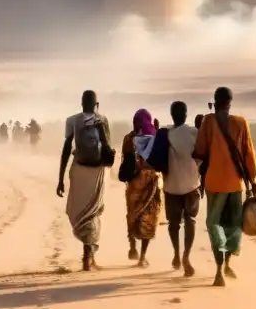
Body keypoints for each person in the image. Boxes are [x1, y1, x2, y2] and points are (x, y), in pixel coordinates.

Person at [193, 86, 256, 287]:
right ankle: (227, 264)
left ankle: (219, 271)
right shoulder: (241, 122)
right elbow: (249, 154)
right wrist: (252, 180)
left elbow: (200, 151)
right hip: (235, 184)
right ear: (230, 102)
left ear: (215, 101)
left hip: (214, 182)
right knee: (233, 224)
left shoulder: (208, 121)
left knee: (214, 224)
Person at [58, 90, 112, 271]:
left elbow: (66, 149)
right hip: (97, 173)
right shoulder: (102, 119)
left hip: (79, 171)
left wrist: (60, 178)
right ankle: (89, 255)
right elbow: (107, 148)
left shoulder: (72, 120)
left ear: (81, 103)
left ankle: (87, 253)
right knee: (94, 211)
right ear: (97, 104)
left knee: (79, 212)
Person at [153, 101, 201, 277]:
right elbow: (201, 155)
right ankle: (186, 255)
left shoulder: (164, 133)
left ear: (172, 114)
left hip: (171, 185)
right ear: (186, 114)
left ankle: (176, 254)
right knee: (191, 220)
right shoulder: (194, 133)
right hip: (191, 184)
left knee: (174, 224)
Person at [121, 108, 163, 267]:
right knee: (149, 216)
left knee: (132, 214)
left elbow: (125, 159)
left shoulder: (128, 138)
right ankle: (142, 256)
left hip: (133, 184)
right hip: (151, 182)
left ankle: (132, 246)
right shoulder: (154, 136)